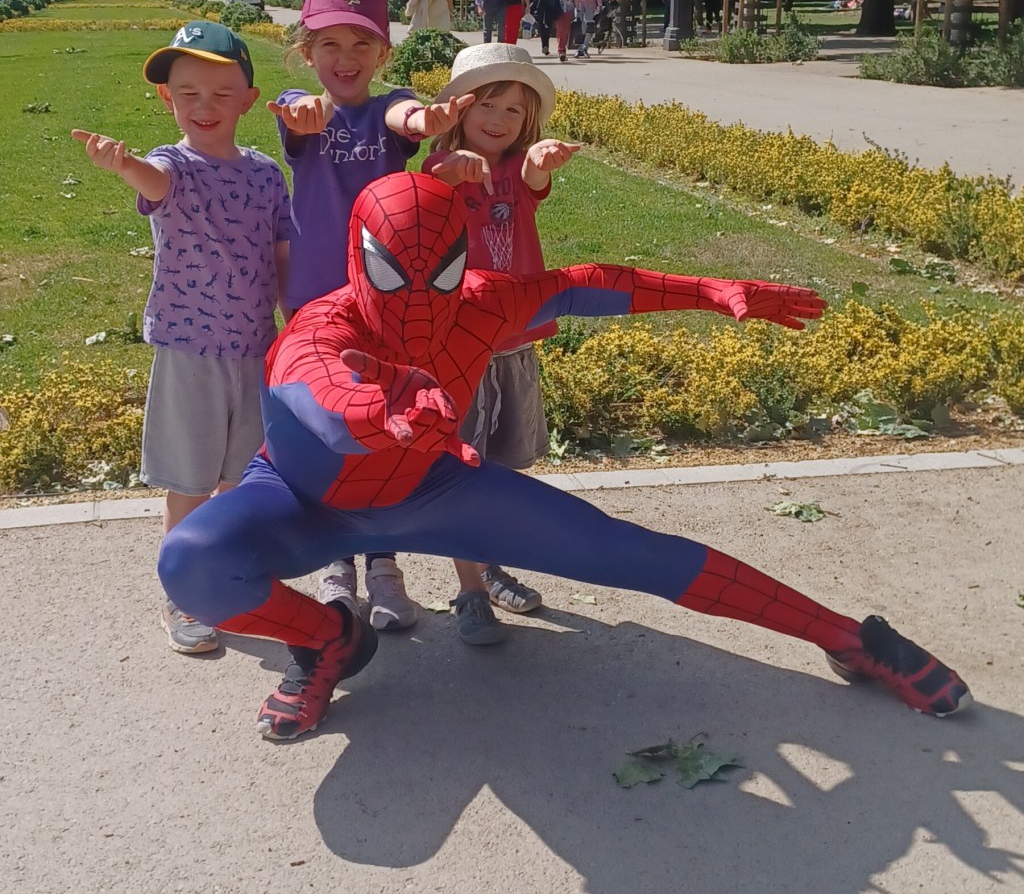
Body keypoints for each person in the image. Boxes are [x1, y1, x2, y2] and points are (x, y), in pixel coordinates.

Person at [158, 170, 972, 742]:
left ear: (463, 258)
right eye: (390, 272)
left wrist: (709, 292)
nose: (416, 299)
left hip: (435, 490)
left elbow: (589, 281)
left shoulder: (484, 300)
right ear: (355, 256)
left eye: (438, 273)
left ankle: (847, 637)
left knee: (633, 553)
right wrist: (388, 407)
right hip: (303, 502)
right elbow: (314, 394)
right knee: (192, 561)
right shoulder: (321, 327)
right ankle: (328, 641)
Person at [70, 21, 292, 654]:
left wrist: (294, 320)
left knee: (244, 479)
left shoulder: (265, 173)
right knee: (191, 481)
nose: (204, 106)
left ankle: (231, 575)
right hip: (189, 350)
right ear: (168, 100)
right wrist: (124, 163)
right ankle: (184, 592)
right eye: (188, 93)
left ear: (249, 100)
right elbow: (155, 184)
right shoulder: (172, 166)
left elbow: (281, 254)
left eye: (222, 94)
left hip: (254, 348)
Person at [265, 0, 473, 633]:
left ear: (383, 54)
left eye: (362, 42)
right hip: (314, 305)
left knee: (383, 433)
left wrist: (428, 121)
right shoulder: (303, 108)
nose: (345, 57)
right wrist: (301, 114)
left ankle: (384, 563)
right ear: (307, 49)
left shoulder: (394, 106)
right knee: (329, 433)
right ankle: (336, 565)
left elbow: (401, 118)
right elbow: (300, 114)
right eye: (329, 43)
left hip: (383, 305)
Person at [419, 43, 579, 644]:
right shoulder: (439, 168)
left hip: (515, 340)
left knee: (505, 464)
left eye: (515, 111)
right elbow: (429, 195)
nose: (499, 120)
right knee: (463, 463)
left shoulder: (516, 168)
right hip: (462, 346)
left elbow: (533, 181)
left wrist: (541, 160)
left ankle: (489, 564)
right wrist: (452, 173)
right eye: (488, 104)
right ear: (459, 108)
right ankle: (468, 591)